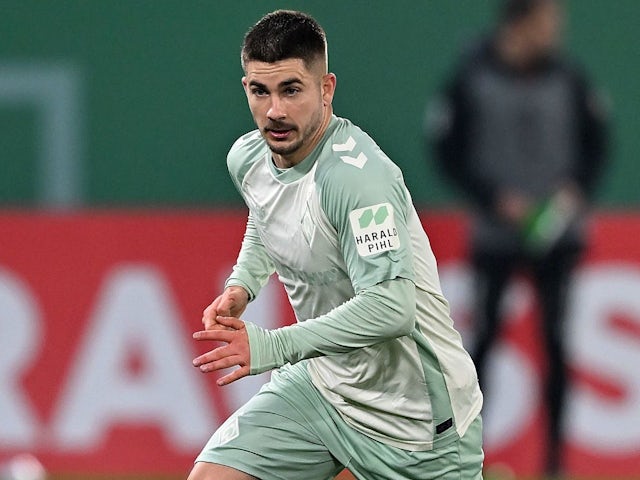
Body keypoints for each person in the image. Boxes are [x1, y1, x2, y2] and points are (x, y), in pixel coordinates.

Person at [187, 9, 484, 480]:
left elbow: (392, 307)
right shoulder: (248, 158)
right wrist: (243, 284)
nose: (274, 112)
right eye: (260, 92)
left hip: (415, 422)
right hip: (322, 390)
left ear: (326, 89)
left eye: (291, 90)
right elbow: (266, 214)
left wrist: (272, 346)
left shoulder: (357, 179)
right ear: (246, 88)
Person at [426, 0, 608, 477]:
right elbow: (447, 149)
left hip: (558, 235)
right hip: (495, 236)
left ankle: (555, 465)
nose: (556, 32)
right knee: (480, 346)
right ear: (521, 23)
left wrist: (572, 191)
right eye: (549, 22)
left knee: (557, 345)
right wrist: (493, 199)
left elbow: (597, 144)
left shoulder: (569, 78)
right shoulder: (473, 78)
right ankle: (463, 458)